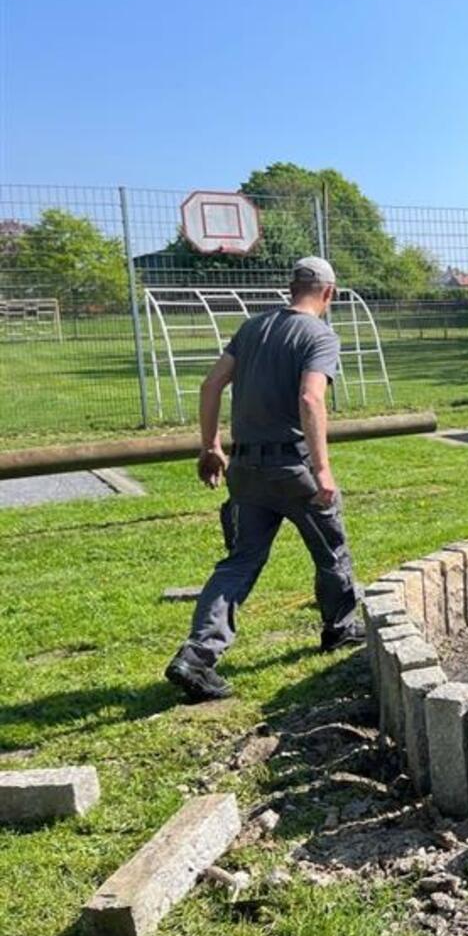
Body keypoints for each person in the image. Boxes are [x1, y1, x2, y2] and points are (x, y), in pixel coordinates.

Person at [164, 257, 361, 702]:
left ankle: (197, 656)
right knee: (331, 550)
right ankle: (339, 628)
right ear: (328, 293)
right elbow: (311, 398)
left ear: (291, 288)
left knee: (240, 562)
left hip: (246, 470)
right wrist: (322, 469)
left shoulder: (251, 328)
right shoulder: (319, 335)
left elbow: (210, 385)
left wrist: (211, 446)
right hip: (294, 469)